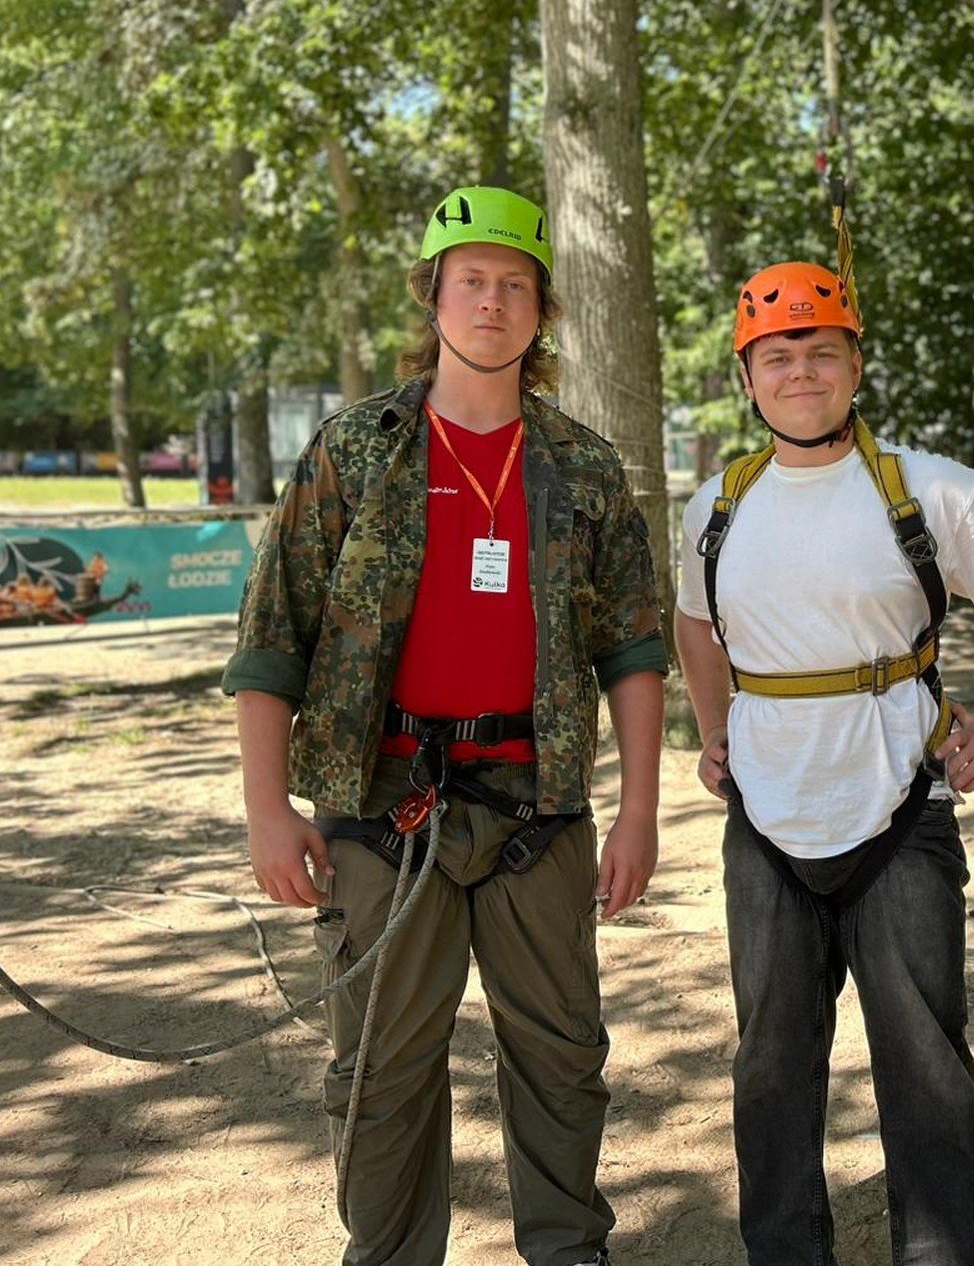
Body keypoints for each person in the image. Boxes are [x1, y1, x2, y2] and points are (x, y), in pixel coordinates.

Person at [224, 185, 666, 1266]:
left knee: (561, 1063)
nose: (492, 302)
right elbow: (272, 637)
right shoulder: (354, 452)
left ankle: (568, 1252)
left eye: (515, 284)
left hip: (536, 808)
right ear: (433, 296)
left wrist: (638, 813)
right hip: (385, 807)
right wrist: (268, 811)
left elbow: (633, 651)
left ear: (543, 311)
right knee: (379, 1071)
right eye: (471, 280)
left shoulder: (583, 467)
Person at [673, 259, 974, 1265]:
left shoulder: (932, 491)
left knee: (926, 1069)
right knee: (769, 1070)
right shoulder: (716, 507)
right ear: (746, 377)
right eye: (776, 356)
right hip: (764, 819)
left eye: (820, 352)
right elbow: (693, 621)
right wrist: (713, 728)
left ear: (856, 366)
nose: (799, 372)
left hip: (901, 813)